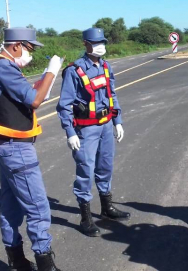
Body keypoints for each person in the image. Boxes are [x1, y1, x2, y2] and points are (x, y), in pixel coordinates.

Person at [0, 27, 63, 271]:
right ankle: (45, 264)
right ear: (16, 45)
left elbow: (25, 95)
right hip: (16, 150)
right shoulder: (3, 66)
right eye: (30, 48)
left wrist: (44, 78)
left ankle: (17, 261)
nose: (30, 54)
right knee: (38, 208)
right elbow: (35, 100)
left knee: (11, 206)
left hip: (5, 145)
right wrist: (52, 73)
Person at [57, 27, 130, 237]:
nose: (101, 47)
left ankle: (107, 208)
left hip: (106, 125)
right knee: (85, 172)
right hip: (86, 129)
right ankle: (86, 217)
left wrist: (118, 121)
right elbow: (64, 105)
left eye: (103, 42)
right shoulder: (75, 70)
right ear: (85, 44)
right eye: (96, 43)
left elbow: (112, 95)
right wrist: (70, 132)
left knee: (105, 166)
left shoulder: (106, 66)